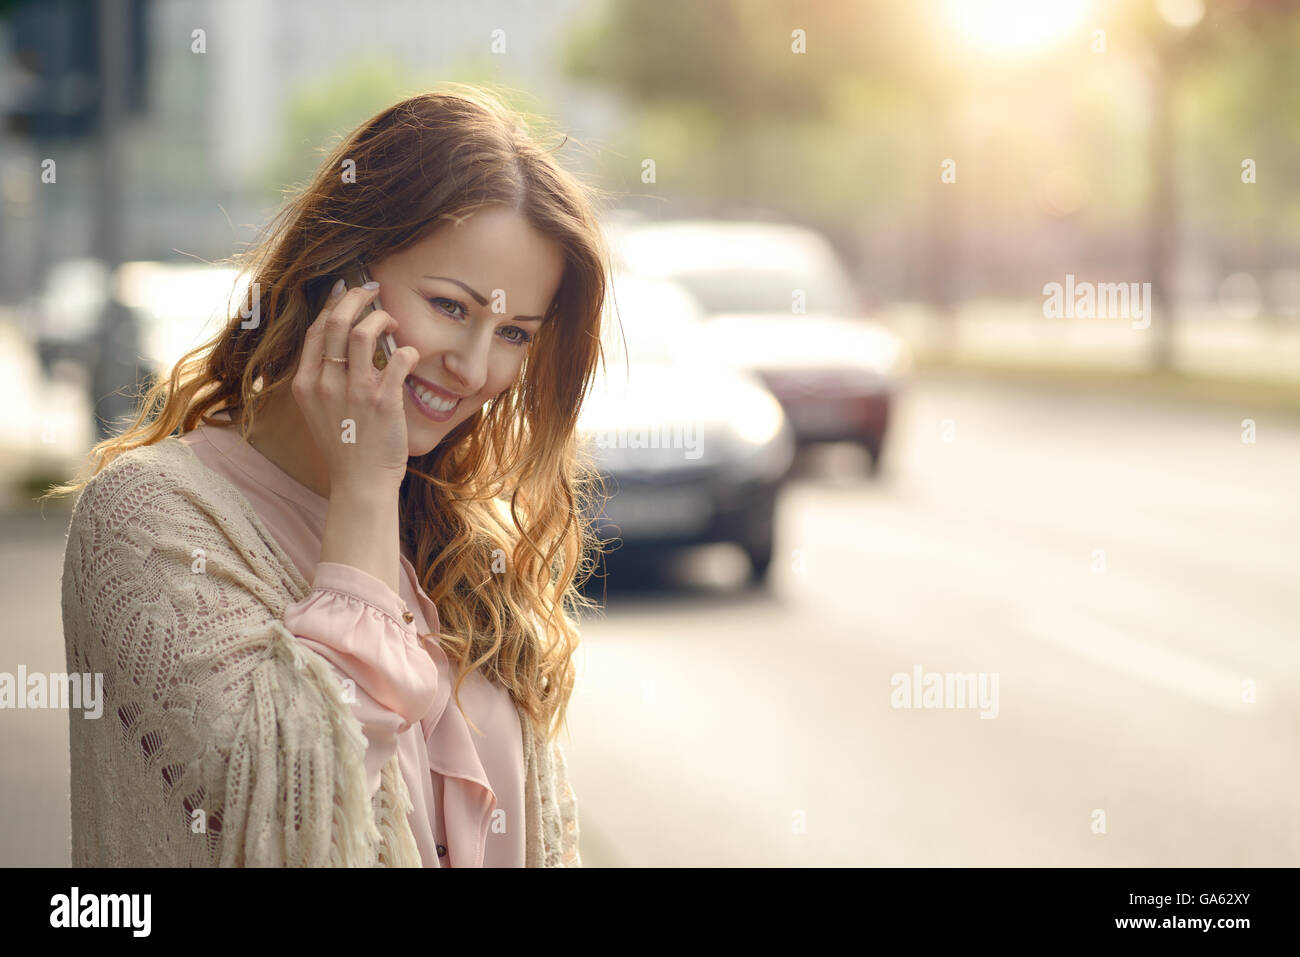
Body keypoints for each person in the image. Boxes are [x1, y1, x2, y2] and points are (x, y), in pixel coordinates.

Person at [48, 85, 616, 867]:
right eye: (451, 307)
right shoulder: (149, 516)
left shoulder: (459, 532)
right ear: (340, 273)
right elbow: (295, 816)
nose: (478, 367)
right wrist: (362, 488)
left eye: (514, 331)